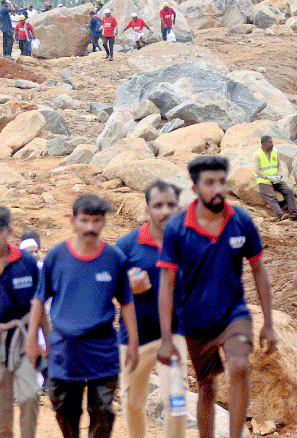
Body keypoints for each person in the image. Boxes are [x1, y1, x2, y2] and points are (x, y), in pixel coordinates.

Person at [157, 156, 277, 438]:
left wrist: (269, 324)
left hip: (234, 314)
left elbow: (259, 271)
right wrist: (166, 338)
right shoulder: (177, 228)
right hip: (195, 320)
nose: (218, 189)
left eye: (222, 181)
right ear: (194, 188)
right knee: (207, 387)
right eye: (209, 183)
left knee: (239, 366)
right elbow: (166, 284)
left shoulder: (241, 221)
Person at [27, 195, 138, 438]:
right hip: (65, 347)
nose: (90, 227)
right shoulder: (56, 257)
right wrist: (32, 340)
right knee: (64, 408)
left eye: (96, 221)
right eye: (85, 220)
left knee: (104, 411)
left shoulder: (115, 258)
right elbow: (39, 300)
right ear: (73, 221)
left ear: (104, 222)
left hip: (102, 347)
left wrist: (133, 342)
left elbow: (127, 302)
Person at [115, 181, 187, 438]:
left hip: (175, 335)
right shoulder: (127, 245)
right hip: (134, 338)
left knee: (177, 401)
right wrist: (128, 287)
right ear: (147, 209)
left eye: (170, 205)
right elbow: (107, 289)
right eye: (158, 205)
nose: (165, 211)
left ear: (179, 208)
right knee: (132, 404)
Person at [255, 135, 296, 220]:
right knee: (271, 196)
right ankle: (281, 215)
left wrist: (279, 175)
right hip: (264, 180)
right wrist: (268, 177)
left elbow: (279, 165)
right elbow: (257, 170)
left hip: (276, 179)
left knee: (288, 191)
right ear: (264, 144)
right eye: (270, 142)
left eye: (272, 142)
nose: (272, 144)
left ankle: (294, 214)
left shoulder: (275, 152)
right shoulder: (258, 154)